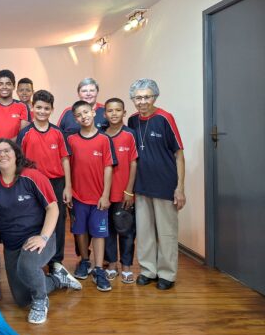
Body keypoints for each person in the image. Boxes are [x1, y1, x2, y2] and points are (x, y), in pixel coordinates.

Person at [0, 140, 79, 325]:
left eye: (7, 150)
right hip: (11, 244)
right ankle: (57, 280)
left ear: (16, 154)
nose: (2, 155)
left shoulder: (32, 176)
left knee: (27, 267)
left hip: (39, 237)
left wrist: (43, 237)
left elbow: (53, 208)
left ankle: (41, 301)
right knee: (22, 299)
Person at [128, 79, 185, 291]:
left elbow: (179, 154)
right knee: (144, 232)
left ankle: (167, 273)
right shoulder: (132, 120)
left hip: (165, 185)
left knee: (166, 232)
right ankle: (147, 270)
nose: (142, 102)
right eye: (138, 98)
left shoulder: (165, 118)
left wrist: (180, 188)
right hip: (142, 185)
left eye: (147, 97)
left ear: (155, 97)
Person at [17, 90, 77, 282]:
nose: (42, 111)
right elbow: (19, 163)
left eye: (46, 108)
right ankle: (36, 260)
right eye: (39, 107)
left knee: (57, 222)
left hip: (56, 183)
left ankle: (56, 262)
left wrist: (68, 186)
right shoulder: (25, 133)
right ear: (32, 108)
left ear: (52, 109)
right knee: (35, 221)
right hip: (32, 184)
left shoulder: (58, 133)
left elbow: (65, 160)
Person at [67, 100, 117, 292]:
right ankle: (84, 261)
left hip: (98, 198)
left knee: (99, 233)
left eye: (86, 112)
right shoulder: (71, 140)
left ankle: (98, 269)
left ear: (94, 112)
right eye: (79, 115)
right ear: (75, 119)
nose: (83, 117)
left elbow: (108, 168)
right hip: (78, 196)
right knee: (80, 230)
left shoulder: (104, 139)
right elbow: (67, 166)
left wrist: (105, 195)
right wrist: (69, 190)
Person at [103, 98, 138, 284]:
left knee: (125, 230)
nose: (114, 113)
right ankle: (111, 264)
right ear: (105, 114)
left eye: (118, 110)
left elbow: (134, 163)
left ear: (124, 113)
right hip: (104, 194)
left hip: (124, 193)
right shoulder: (101, 135)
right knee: (108, 230)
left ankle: (126, 266)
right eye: (110, 110)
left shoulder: (130, 134)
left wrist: (129, 191)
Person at [0, 69, 31, 140]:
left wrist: (6, 145)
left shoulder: (22, 107)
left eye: (8, 84)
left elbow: (23, 134)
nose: (4, 87)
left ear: (14, 86)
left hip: (14, 147)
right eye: (0, 84)